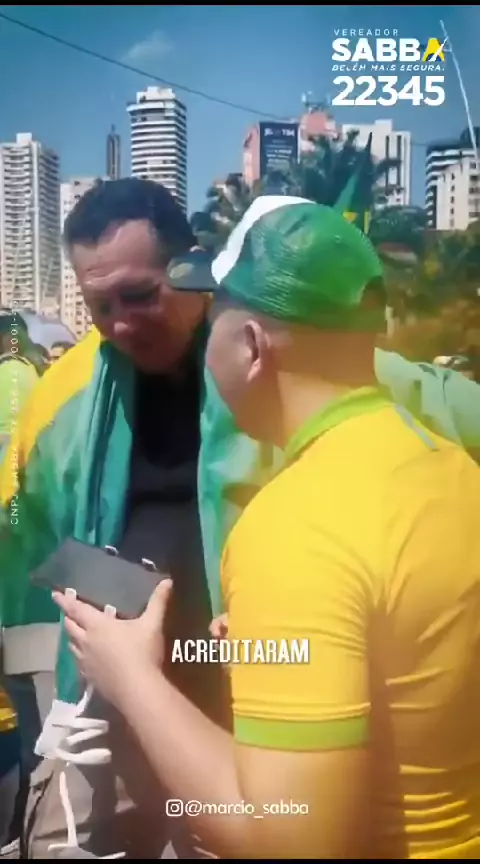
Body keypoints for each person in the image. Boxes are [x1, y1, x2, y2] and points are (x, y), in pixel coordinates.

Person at [2, 187, 480, 858]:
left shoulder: (299, 496)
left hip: (257, 703)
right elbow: (22, 519)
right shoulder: (66, 398)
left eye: (140, 296)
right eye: (100, 306)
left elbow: (290, 836)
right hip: (153, 695)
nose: (121, 323)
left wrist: (143, 673)